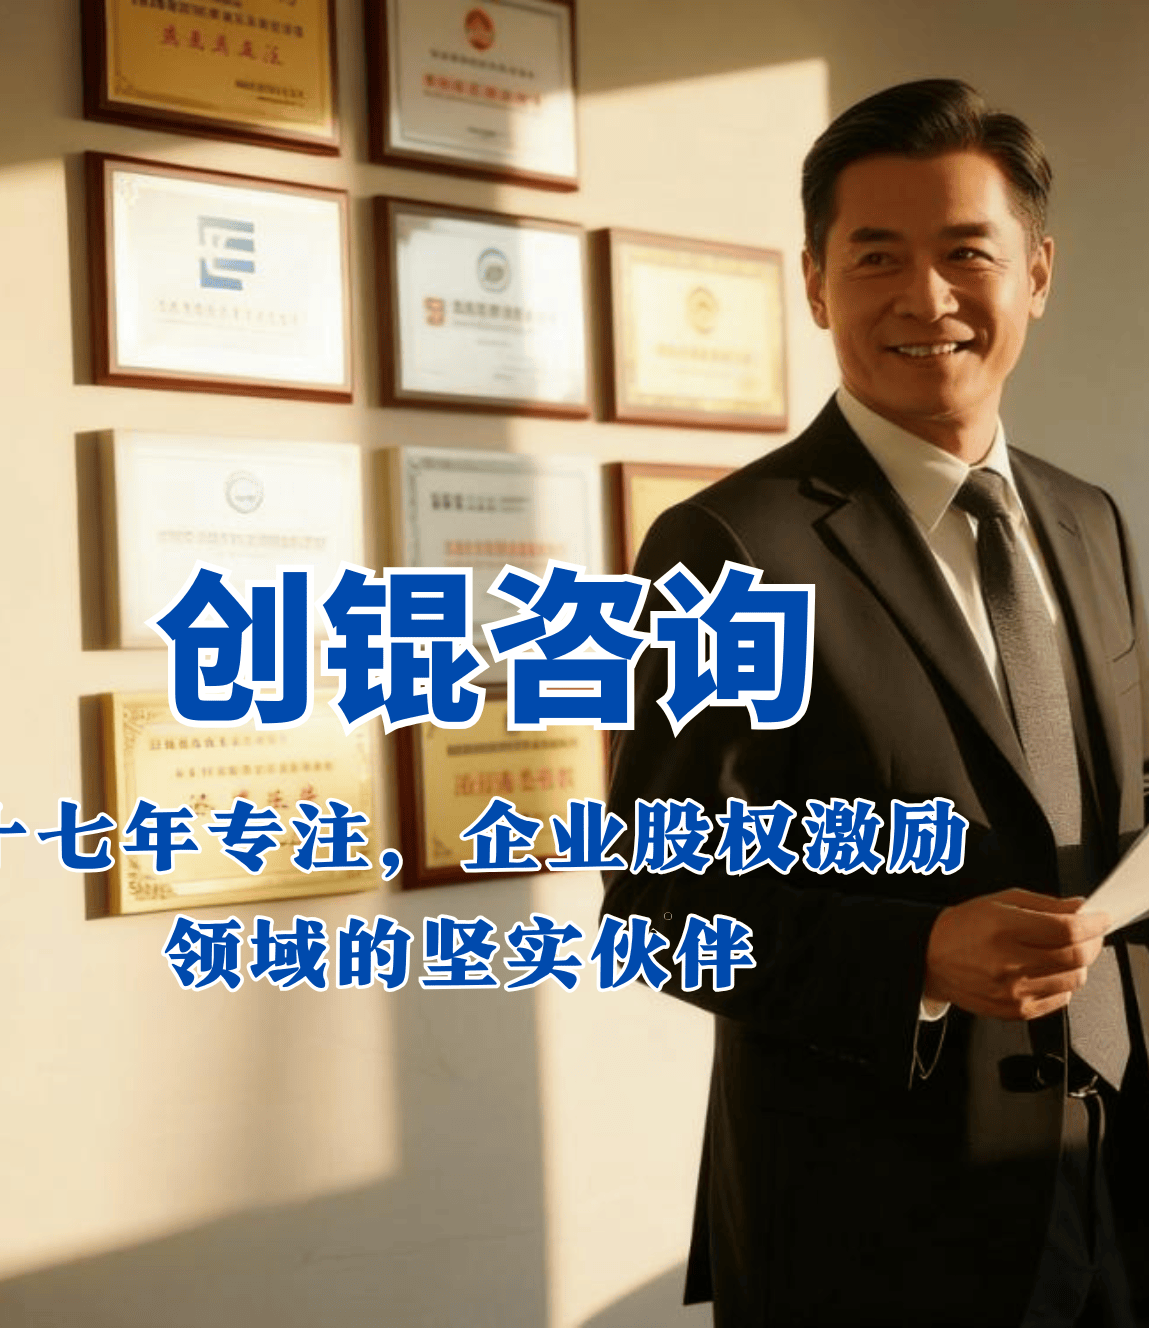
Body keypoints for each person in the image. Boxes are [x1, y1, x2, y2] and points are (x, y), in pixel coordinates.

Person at [604, 79, 1149, 1328]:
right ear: (814, 284)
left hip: (1114, 1183)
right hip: (876, 1225)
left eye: (966, 252)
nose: (925, 297)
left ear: (1036, 273)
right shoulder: (726, 545)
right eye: (875, 257)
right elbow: (657, 903)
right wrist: (916, 953)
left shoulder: (1088, 519)